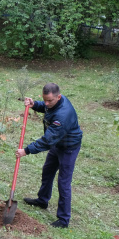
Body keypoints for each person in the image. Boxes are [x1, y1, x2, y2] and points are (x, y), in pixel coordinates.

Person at [16, 83, 83, 228]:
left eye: (49, 100)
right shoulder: (54, 102)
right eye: (44, 100)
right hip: (57, 144)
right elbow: (47, 107)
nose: (47, 103)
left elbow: (47, 140)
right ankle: (42, 200)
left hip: (68, 148)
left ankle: (64, 220)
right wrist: (35, 104)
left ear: (58, 97)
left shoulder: (62, 116)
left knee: (63, 183)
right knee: (47, 171)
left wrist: (26, 151)